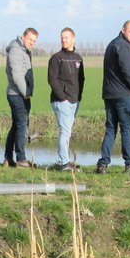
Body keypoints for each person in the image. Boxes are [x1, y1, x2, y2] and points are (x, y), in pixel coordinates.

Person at [95, 20, 130, 174]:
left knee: (110, 129)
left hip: (109, 94)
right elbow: (129, 72)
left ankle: (103, 164)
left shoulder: (111, 45)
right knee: (126, 129)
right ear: (123, 30)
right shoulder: (124, 47)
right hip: (123, 95)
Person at [47, 27, 84, 171]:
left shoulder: (78, 58)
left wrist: (78, 97)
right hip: (61, 100)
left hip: (75, 101)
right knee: (65, 131)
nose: (64, 39)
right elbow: (52, 79)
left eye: (66, 37)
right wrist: (63, 98)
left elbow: (82, 79)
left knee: (67, 131)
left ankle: (66, 161)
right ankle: (64, 163)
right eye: (62, 37)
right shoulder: (56, 58)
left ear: (73, 39)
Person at [4, 28, 38, 167]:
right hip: (17, 94)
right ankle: (21, 159)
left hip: (20, 94)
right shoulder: (16, 50)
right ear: (23, 37)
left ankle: (8, 158)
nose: (32, 43)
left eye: (34, 41)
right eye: (30, 39)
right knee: (22, 125)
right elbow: (17, 75)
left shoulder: (23, 50)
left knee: (16, 126)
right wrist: (26, 93)